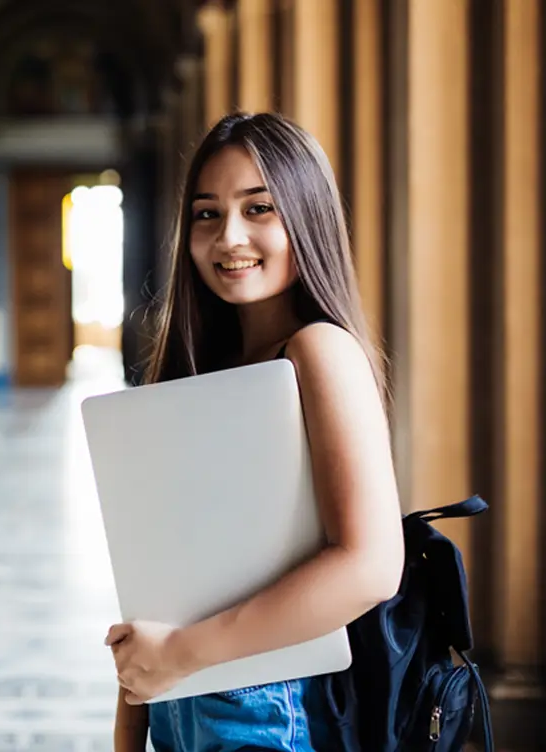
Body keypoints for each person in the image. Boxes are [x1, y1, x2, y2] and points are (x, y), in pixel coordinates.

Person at [105, 112, 405, 752]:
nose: (228, 237)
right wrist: (132, 721)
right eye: (207, 214)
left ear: (307, 217)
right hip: (177, 703)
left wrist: (183, 653)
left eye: (259, 208)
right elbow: (156, 573)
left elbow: (372, 565)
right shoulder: (201, 367)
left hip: (271, 712)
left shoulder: (319, 351)